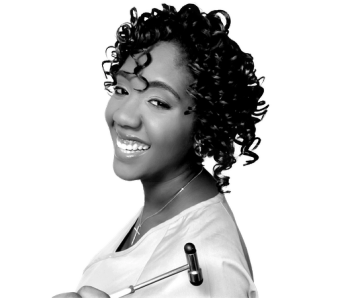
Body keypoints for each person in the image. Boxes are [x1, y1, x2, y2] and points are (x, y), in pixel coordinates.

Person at [60, 1, 269, 297]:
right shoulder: (158, 209)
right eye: (121, 89)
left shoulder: (209, 260)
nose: (123, 117)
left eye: (158, 102)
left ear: (206, 124)